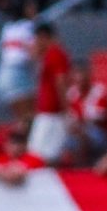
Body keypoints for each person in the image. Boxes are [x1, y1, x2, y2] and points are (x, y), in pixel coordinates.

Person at [27, 23, 71, 165]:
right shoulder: (47, 56)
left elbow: (61, 82)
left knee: (46, 154)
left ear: (43, 37)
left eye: (36, 39)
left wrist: (66, 109)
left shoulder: (56, 54)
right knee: (35, 153)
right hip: (46, 112)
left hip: (53, 114)